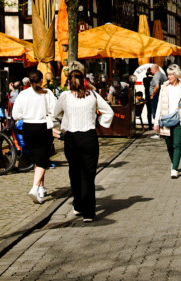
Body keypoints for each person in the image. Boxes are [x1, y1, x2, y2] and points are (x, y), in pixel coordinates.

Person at [52, 69, 112, 222]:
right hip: (89, 137)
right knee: (88, 175)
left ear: (68, 82)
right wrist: (100, 122)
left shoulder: (65, 97)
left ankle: (78, 204)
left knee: (75, 172)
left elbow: (55, 113)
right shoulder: (92, 95)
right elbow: (108, 111)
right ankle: (89, 213)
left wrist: (65, 121)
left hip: (71, 137)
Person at [12, 70, 57, 205]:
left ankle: (41, 188)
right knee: (43, 160)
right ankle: (35, 187)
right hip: (42, 127)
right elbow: (54, 111)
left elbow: (15, 115)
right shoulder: (47, 93)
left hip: (28, 128)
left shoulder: (23, 94)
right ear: (41, 80)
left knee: (37, 158)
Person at [153, 64, 181, 178]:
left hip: (179, 119)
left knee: (177, 144)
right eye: (168, 75)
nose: (168, 77)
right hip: (165, 119)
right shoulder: (165, 87)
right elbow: (159, 104)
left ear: (176, 75)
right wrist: (156, 121)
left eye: (170, 75)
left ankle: (174, 168)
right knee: (169, 144)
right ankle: (173, 161)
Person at [148, 64, 166, 139]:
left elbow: (157, 86)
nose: (151, 71)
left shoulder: (156, 76)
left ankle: (158, 132)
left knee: (156, 113)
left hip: (156, 97)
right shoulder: (162, 75)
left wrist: (152, 95)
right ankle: (162, 131)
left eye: (151, 70)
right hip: (160, 96)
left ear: (155, 69)